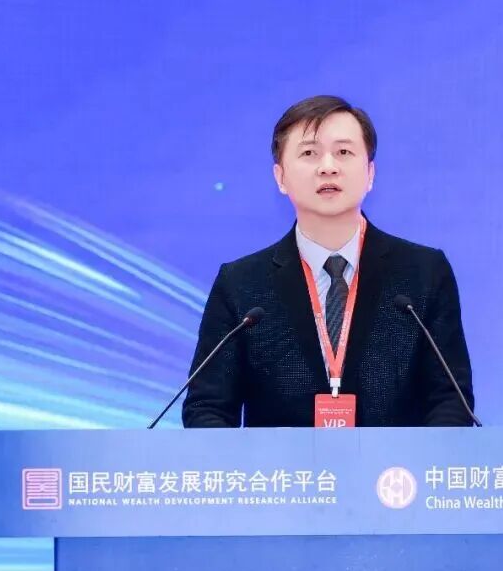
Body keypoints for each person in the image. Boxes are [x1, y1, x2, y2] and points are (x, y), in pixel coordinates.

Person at [182, 95, 474, 428]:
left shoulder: (423, 273)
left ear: (370, 174)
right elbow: (207, 408)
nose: (328, 167)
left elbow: (451, 401)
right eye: (309, 153)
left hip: (394, 464)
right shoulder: (240, 284)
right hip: (280, 464)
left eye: (344, 152)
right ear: (280, 177)